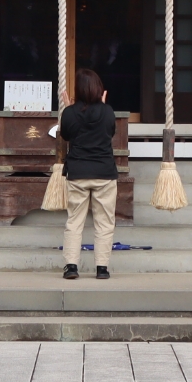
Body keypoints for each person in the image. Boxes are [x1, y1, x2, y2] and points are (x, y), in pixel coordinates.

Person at [53, 68, 119, 280]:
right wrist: (103, 105)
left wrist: (68, 109)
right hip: (104, 172)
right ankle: (102, 267)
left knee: (74, 221)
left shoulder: (70, 113)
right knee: (104, 222)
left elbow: (66, 134)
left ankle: (71, 266)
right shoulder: (108, 111)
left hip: (79, 172)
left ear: (78, 90)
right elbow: (109, 132)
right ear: (99, 89)